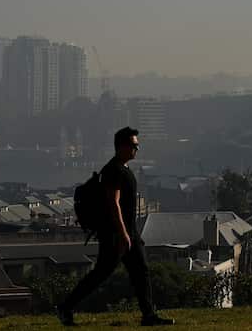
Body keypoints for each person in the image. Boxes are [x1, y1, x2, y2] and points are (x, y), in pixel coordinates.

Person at [57, 127, 174, 326]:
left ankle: (148, 315)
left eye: (137, 145)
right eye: (134, 145)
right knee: (101, 273)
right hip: (116, 234)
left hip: (129, 232)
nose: (137, 149)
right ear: (122, 146)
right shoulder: (113, 170)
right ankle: (65, 307)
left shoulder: (124, 168)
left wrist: (129, 233)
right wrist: (122, 234)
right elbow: (114, 202)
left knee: (141, 271)